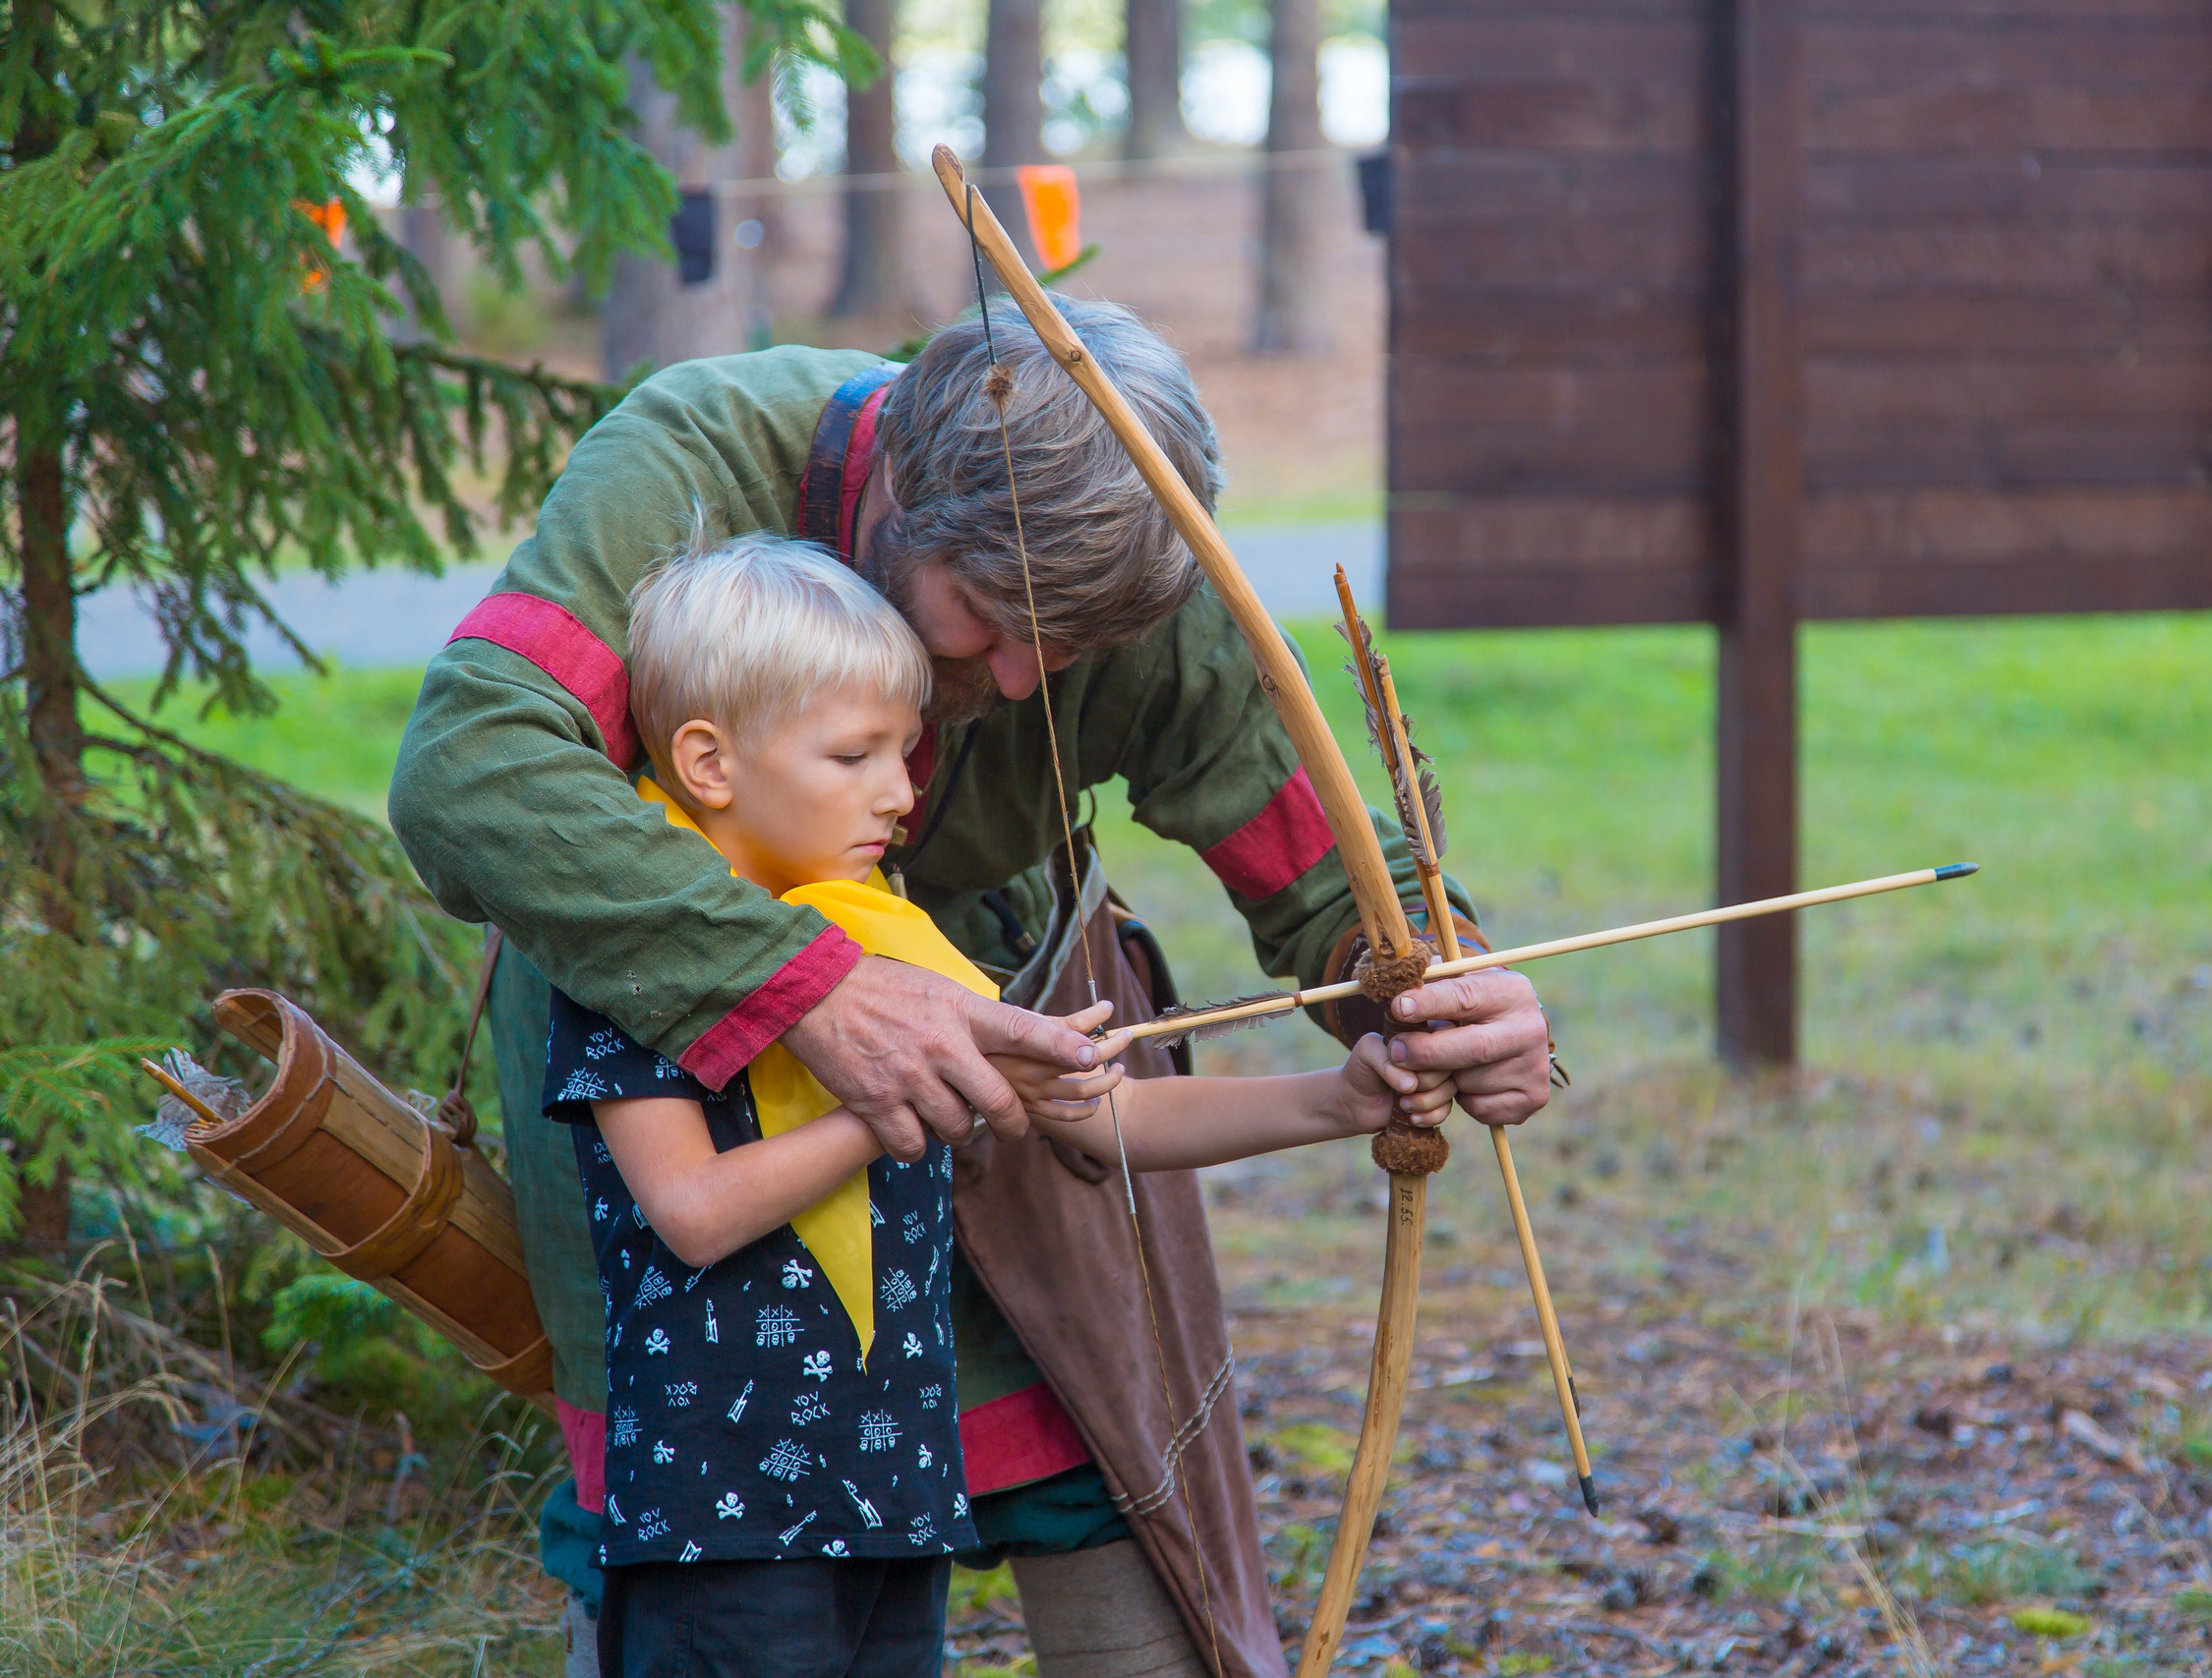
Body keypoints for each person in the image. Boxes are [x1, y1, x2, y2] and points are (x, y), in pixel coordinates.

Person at [389, 297, 1556, 1678]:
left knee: (1094, 1462)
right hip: (663, 998)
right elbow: (470, 769)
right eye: (987, 617)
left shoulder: (1133, 567)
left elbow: (1339, 886)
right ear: (899, 486)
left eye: (1065, 649)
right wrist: (807, 987)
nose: (1013, 678)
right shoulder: (698, 453)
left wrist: (1439, 999)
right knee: (691, 1545)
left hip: (992, 997)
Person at [551, 533, 1455, 1678]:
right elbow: (691, 1210)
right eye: (853, 755)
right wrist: (882, 1107)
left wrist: (1340, 1099)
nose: (899, 792)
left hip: (894, 1498)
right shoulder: (638, 957)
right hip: (719, 1521)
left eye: (904, 750)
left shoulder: (892, 940)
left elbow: (1102, 1114)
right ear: (709, 763)